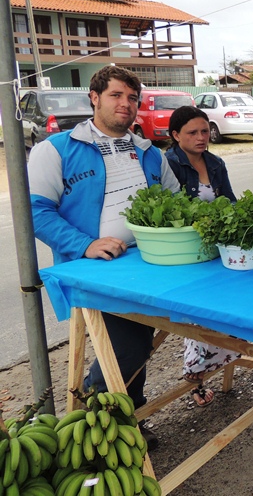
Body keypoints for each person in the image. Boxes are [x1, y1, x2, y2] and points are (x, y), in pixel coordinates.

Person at [28, 66, 180, 449]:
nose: (126, 104)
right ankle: (93, 427)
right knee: (128, 346)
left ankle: (128, 417)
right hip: (94, 270)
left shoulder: (149, 152)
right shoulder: (57, 149)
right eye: (116, 95)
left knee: (141, 339)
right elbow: (36, 211)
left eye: (132, 98)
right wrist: (84, 244)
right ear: (94, 98)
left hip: (145, 266)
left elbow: (177, 201)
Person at [165, 106, 239, 407]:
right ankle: (196, 374)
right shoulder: (168, 164)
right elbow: (170, 210)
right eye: (192, 133)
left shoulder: (216, 163)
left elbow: (231, 203)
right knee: (197, 313)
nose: (201, 137)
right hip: (187, 253)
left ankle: (219, 360)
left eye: (205, 131)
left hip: (215, 249)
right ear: (175, 135)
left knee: (224, 308)